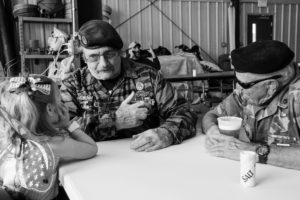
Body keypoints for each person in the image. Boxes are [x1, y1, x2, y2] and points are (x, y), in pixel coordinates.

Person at [60, 20, 197, 152]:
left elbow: (184, 111)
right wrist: (115, 121)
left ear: (121, 53)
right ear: (84, 58)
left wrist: (166, 133)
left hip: (144, 158)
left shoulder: (148, 76)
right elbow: (62, 130)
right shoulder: (73, 84)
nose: (103, 64)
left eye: (109, 54)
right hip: (90, 160)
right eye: (93, 57)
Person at [202, 40, 300, 170]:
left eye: (245, 85)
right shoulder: (246, 92)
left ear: (271, 86)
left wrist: (251, 150)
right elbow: (212, 115)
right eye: (236, 80)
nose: (238, 89)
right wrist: (212, 130)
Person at [0, 75, 98, 200]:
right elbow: (91, 148)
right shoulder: (54, 144)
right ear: (50, 109)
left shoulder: (6, 141)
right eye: (60, 100)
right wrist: (68, 124)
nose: (62, 103)